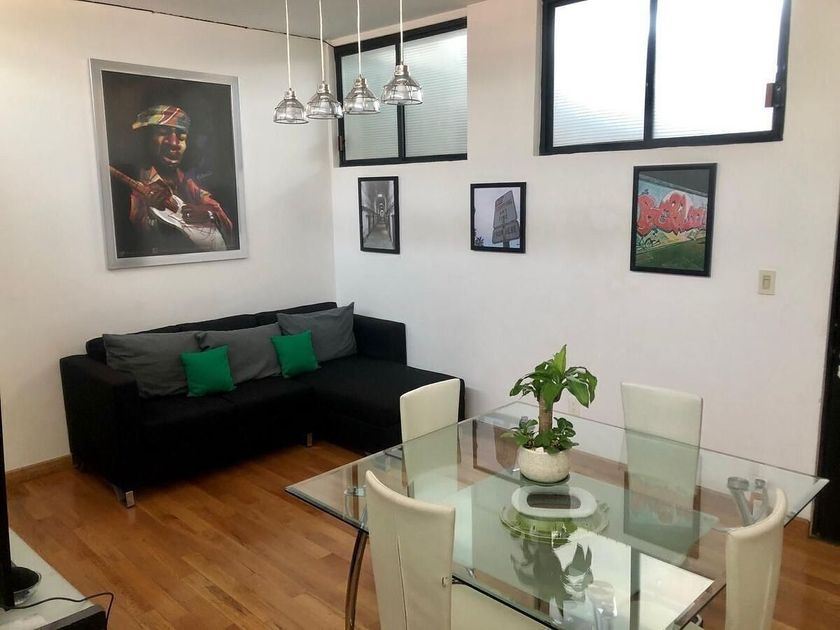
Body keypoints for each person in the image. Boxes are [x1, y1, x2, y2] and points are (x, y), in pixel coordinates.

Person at [122, 105, 234, 253]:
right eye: (163, 133)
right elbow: (134, 244)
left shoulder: (189, 183)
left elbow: (224, 223)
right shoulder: (130, 187)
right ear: (145, 139)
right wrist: (150, 215)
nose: (174, 143)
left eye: (181, 137)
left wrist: (208, 214)